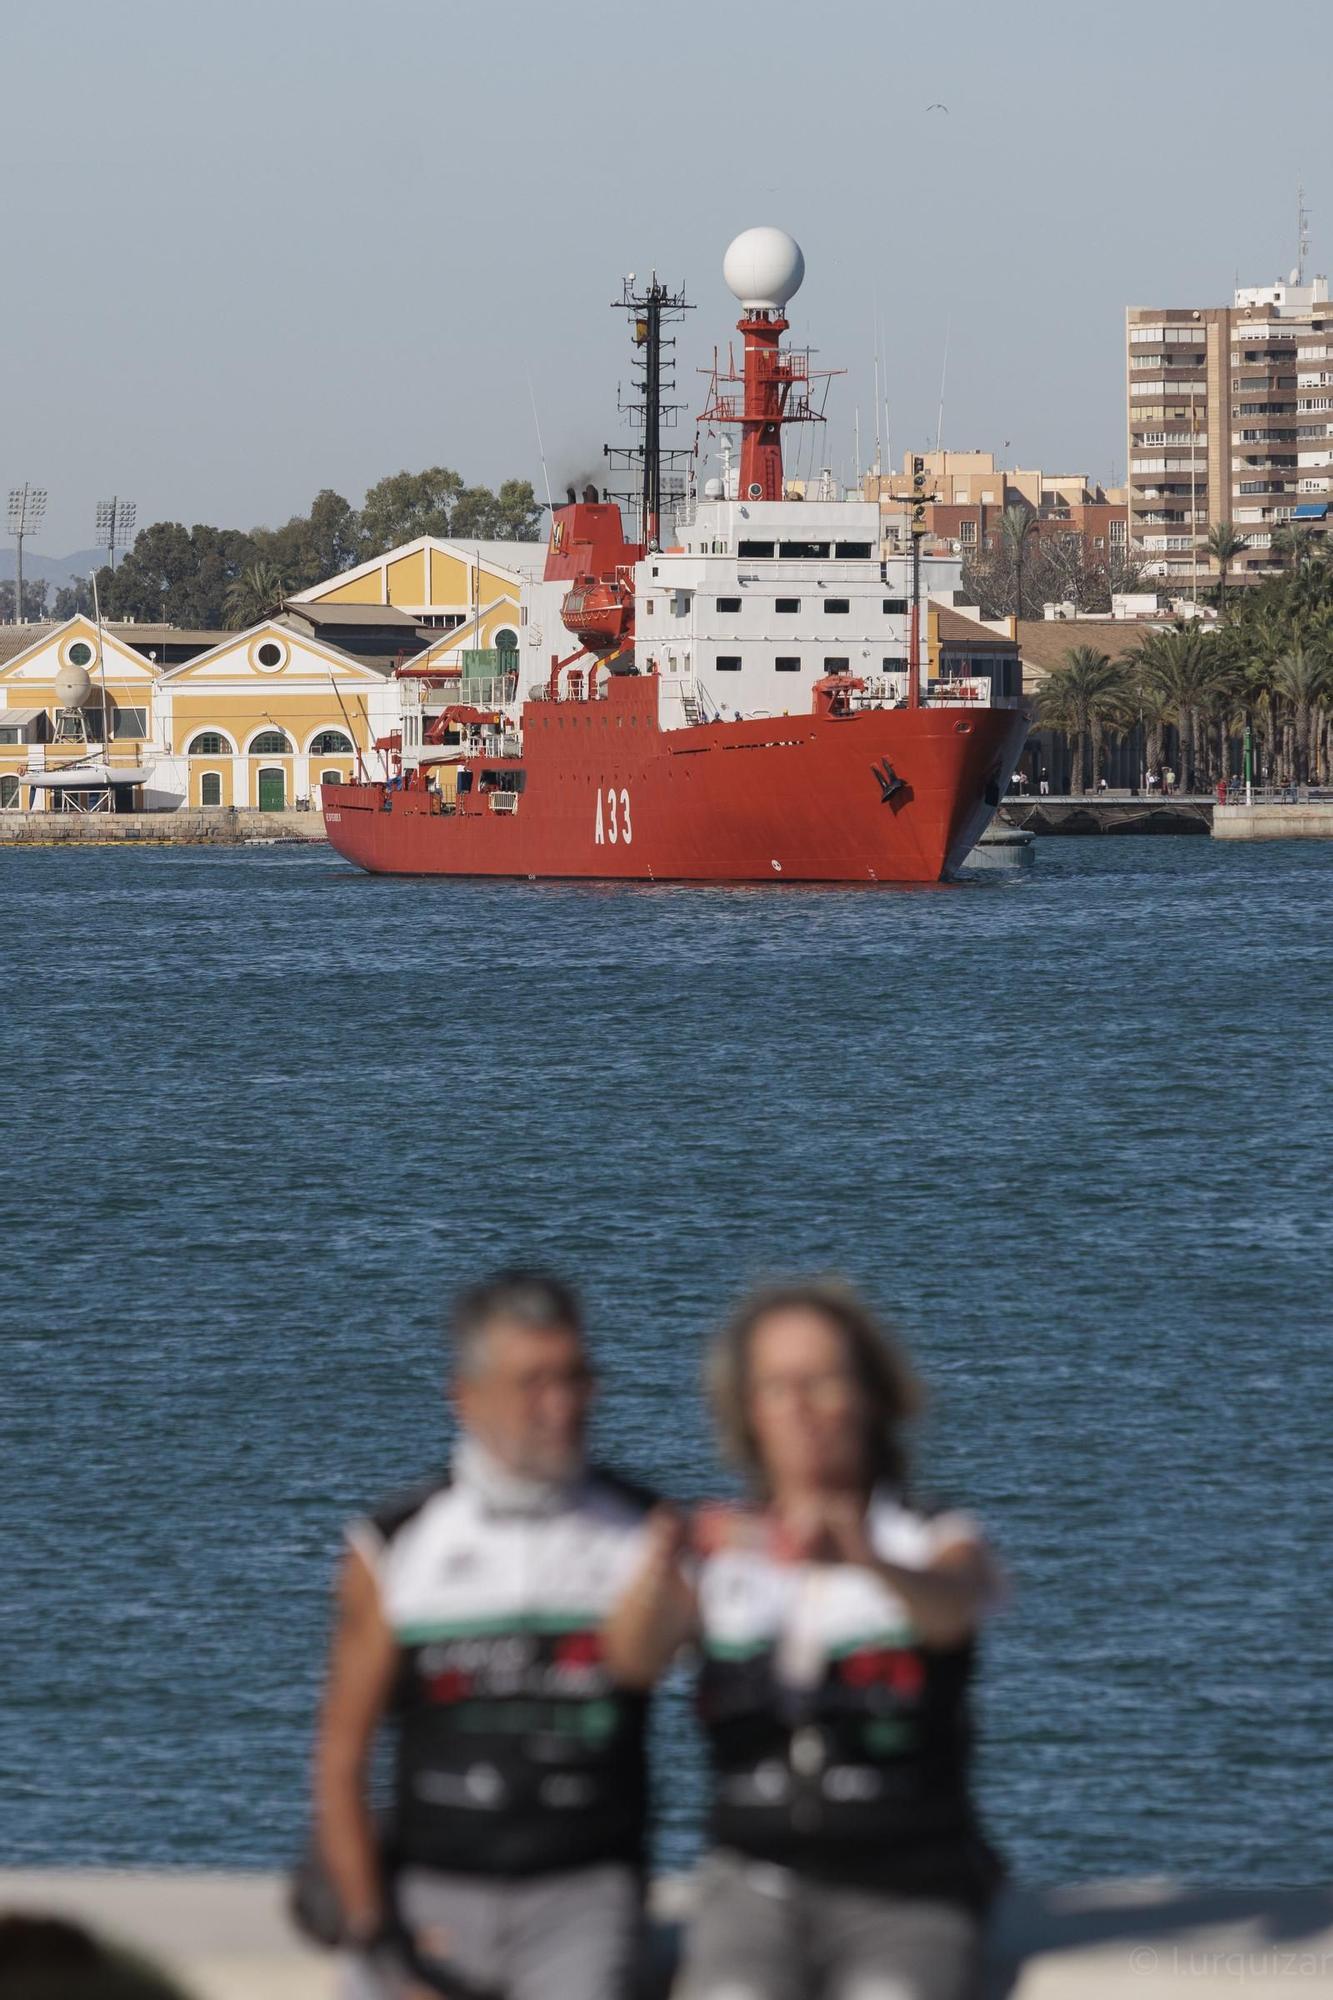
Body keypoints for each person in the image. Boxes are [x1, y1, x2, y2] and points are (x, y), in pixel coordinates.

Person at [606, 1279, 1004, 2000]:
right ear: (748, 1411)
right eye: (777, 1388)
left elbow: (954, 1607)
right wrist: (654, 1575)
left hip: (907, 1879)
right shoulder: (720, 1554)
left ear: (869, 1397)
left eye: (821, 1384)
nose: (800, 1412)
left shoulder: (928, 1537)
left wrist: (863, 1559)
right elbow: (630, 1662)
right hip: (752, 1878)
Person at [315, 1270, 656, 2000]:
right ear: (465, 1397)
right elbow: (342, 1761)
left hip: (584, 1896)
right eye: (532, 1383)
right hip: (429, 1892)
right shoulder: (393, 1547)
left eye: (573, 1379)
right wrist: (379, 1938)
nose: (560, 1407)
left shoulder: (644, 1536)